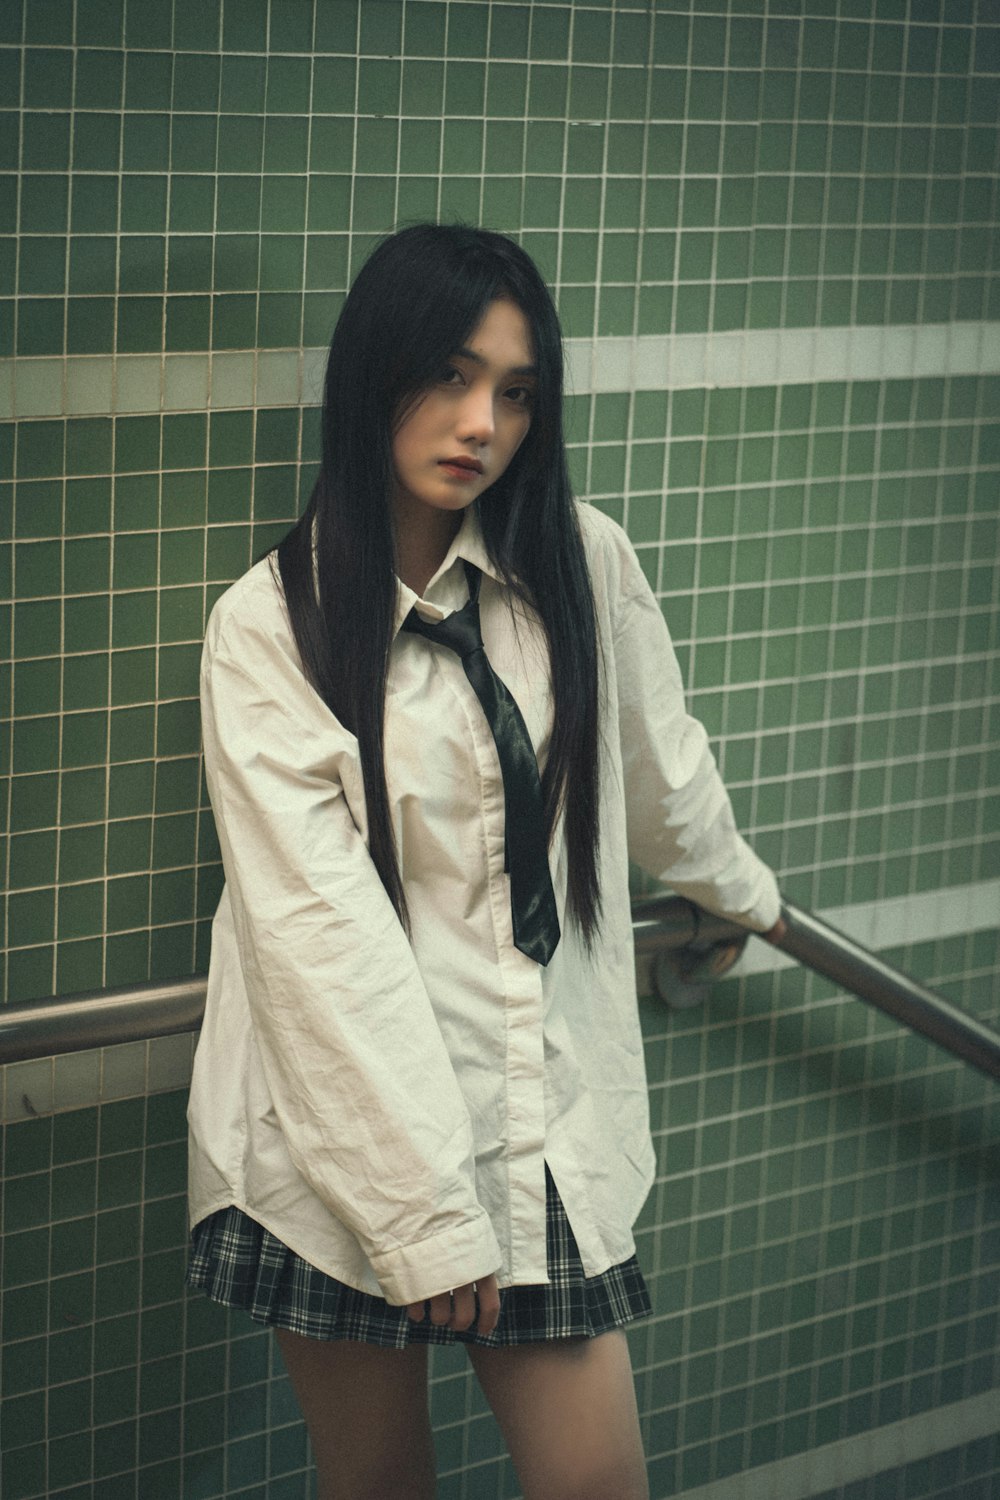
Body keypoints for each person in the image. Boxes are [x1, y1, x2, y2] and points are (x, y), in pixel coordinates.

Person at [186, 223, 785, 1500]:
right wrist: (421, 1216)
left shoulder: (576, 558)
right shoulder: (267, 627)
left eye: (515, 392)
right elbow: (317, 940)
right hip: (339, 1152)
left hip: (536, 1123)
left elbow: (656, 765)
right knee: (379, 1486)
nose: (483, 423)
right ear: (374, 376)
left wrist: (740, 893)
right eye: (451, 377)